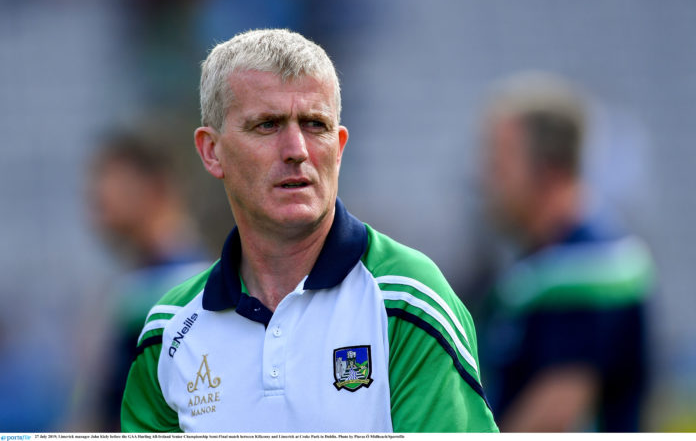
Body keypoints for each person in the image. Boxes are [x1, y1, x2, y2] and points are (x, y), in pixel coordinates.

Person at [120, 29, 498, 433]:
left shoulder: (408, 299)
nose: (297, 149)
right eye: (267, 125)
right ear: (212, 151)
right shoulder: (168, 331)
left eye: (315, 124)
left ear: (339, 146)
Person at [477, 73, 655, 432]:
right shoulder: (552, 257)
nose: (487, 177)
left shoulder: (584, 267)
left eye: (501, 160)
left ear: (547, 169)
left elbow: (554, 414)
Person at [88, 133, 210, 430]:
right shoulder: (136, 284)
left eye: (111, 184)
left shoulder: (179, 288)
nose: (97, 201)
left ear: (155, 188)